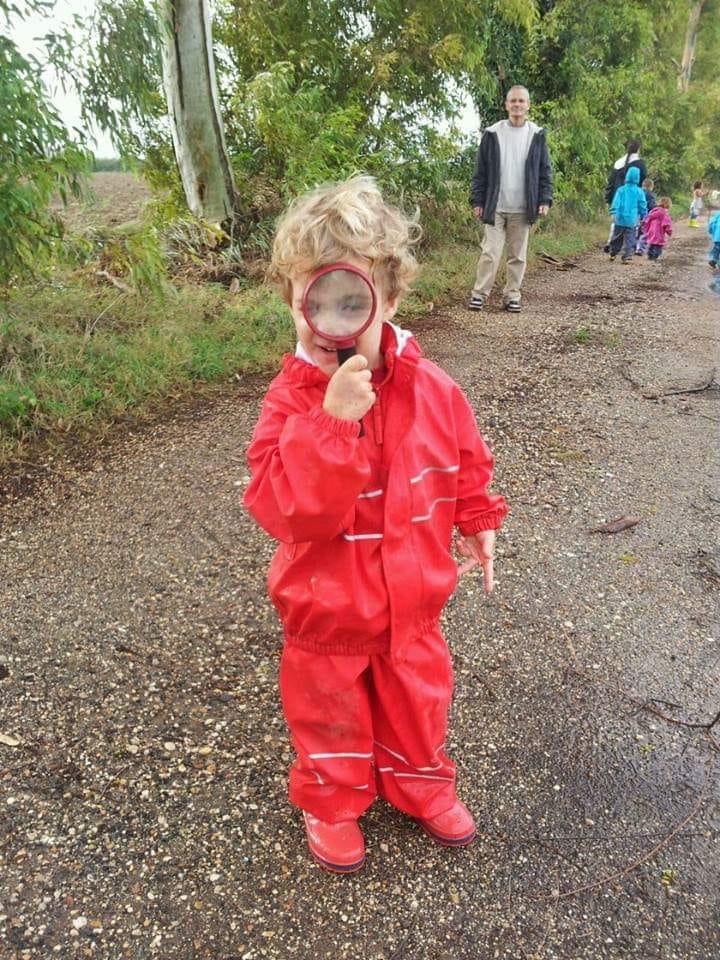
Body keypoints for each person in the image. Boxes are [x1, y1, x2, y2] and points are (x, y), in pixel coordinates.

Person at [244, 176, 508, 874]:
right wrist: (330, 421)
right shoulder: (290, 401)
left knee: (418, 705)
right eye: (313, 302)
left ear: (388, 300)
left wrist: (476, 516)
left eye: (350, 300)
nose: (329, 320)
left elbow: (463, 456)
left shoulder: (432, 388)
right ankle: (332, 800)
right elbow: (282, 508)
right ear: (294, 304)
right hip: (325, 615)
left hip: (412, 605)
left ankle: (419, 783)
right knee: (329, 718)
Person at [468, 84, 553, 313]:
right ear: (506, 105)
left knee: (518, 256)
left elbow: (544, 170)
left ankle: (512, 295)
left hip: (523, 207)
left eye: (521, 101)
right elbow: (480, 171)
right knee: (490, 253)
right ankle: (479, 294)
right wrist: (477, 201)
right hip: (495, 205)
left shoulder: (536, 135)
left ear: (528, 105)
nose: (517, 105)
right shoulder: (493, 133)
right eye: (513, 101)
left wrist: (544, 199)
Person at [603, 139, 647, 252]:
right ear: (638, 149)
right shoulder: (640, 164)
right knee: (632, 224)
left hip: (616, 196)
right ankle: (628, 247)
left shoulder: (618, 163)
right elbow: (642, 181)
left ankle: (611, 242)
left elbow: (610, 183)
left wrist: (608, 198)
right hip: (633, 198)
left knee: (616, 222)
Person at [608, 166, 647, 263]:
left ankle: (613, 253)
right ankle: (627, 256)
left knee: (617, 237)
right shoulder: (639, 191)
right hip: (632, 220)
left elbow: (616, 202)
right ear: (638, 178)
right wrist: (643, 215)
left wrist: (613, 212)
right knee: (630, 238)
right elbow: (642, 204)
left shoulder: (621, 190)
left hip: (619, 219)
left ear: (627, 176)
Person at [644, 197, 673, 261]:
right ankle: (656, 256)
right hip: (659, 231)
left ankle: (650, 255)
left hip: (651, 230)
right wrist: (669, 231)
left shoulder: (653, 211)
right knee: (659, 244)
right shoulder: (664, 213)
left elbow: (647, 219)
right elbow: (667, 223)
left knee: (652, 243)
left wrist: (646, 228)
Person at [635, 178, 657, 255]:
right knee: (645, 233)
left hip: (636, 215)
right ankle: (640, 249)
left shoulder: (637, 192)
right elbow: (652, 206)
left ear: (643, 185)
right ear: (651, 187)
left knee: (636, 232)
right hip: (646, 216)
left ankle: (633, 246)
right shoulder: (650, 195)